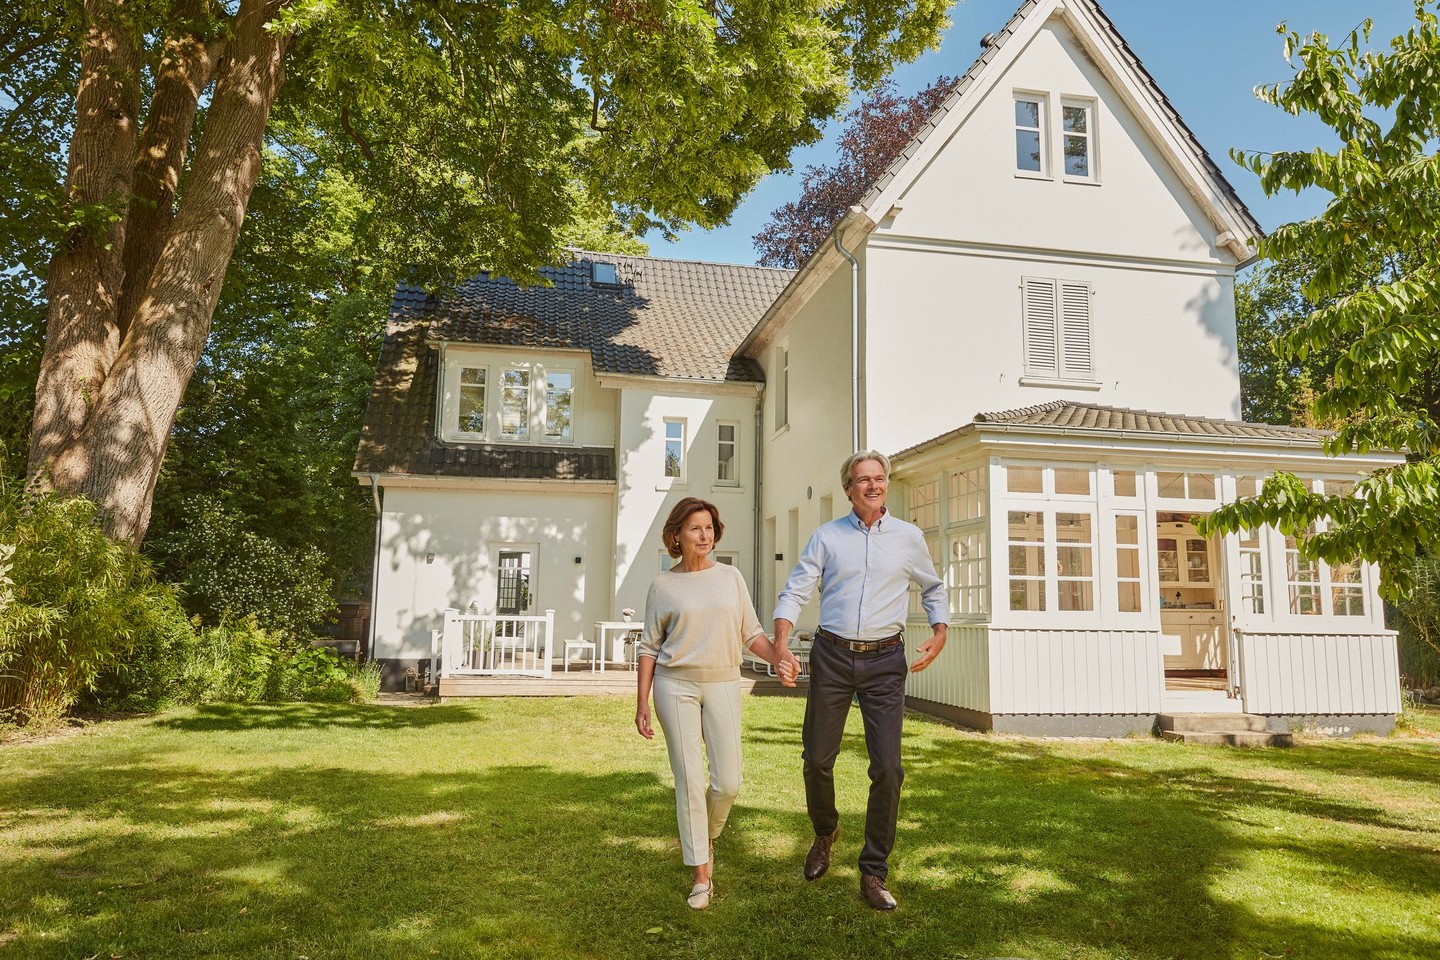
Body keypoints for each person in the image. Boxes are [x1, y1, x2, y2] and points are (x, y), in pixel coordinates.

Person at [772, 450, 948, 911]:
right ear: (848, 489)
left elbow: (933, 588)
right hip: (832, 655)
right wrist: (781, 643)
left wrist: (940, 631)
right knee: (816, 759)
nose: (872, 485)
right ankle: (826, 832)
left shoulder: (909, 538)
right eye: (862, 480)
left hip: (886, 660)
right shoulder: (827, 537)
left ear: (885, 484)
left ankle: (873, 871)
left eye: (878, 478)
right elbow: (796, 589)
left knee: (888, 768)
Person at [635, 497, 796, 910]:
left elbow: (752, 634)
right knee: (689, 779)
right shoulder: (663, 585)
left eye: (709, 527)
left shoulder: (731, 577)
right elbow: (650, 648)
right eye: (695, 528)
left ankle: (704, 834)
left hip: (724, 681)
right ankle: (701, 875)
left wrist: (779, 657)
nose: (704, 535)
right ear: (676, 536)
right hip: (675, 687)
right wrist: (641, 703)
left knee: (728, 782)